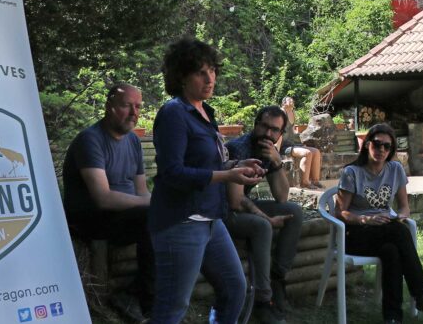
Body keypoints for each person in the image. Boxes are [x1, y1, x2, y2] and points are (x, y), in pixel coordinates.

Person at [147, 38, 267, 324]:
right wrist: (227, 175)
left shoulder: (204, 112)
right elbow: (172, 173)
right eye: (200, 72)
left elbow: (208, 164)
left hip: (210, 220)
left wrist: (238, 164)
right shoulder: (174, 113)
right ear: (181, 76)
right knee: (172, 307)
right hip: (181, 222)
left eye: (212, 70)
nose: (209, 78)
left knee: (234, 287)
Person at [336, 123, 423, 324]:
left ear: (391, 150)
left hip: (386, 232)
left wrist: (401, 216)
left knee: (392, 250)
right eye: (377, 144)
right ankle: (422, 293)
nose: (381, 150)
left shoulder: (395, 169)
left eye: (387, 146)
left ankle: (392, 317)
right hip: (355, 235)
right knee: (399, 233)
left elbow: (404, 207)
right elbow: (340, 213)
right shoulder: (352, 172)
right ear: (367, 145)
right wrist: (365, 219)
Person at [62, 83, 155, 321]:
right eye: (126, 106)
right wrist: (151, 206)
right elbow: (102, 198)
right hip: (92, 219)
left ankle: (137, 292)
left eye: (138, 106)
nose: (134, 112)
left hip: (125, 215)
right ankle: (147, 303)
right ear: (109, 107)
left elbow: (142, 191)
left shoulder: (133, 141)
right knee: (152, 217)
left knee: (168, 218)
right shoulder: (90, 140)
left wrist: (161, 206)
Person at [226, 106, 305, 324]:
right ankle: (263, 300)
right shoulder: (238, 148)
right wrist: (267, 218)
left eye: (274, 130)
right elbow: (235, 200)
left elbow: (282, 197)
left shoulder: (268, 150)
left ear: (281, 134)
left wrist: (277, 162)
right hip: (222, 209)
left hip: (243, 203)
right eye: (264, 126)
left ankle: (277, 276)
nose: (268, 134)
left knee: (294, 212)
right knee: (262, 226)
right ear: (255, 125)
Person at [279, 96, 323, 190]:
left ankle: (315, 180)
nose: (292, 101)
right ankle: (305, 182)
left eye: (292, 99)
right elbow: (278, 132)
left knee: (316, 151)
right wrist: (276, 150)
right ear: (284, 103)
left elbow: (293, 131)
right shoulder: (281, 112)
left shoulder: (292, 113)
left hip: (292, 143)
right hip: (283, 146)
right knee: (307, 153)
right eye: (289, 100)